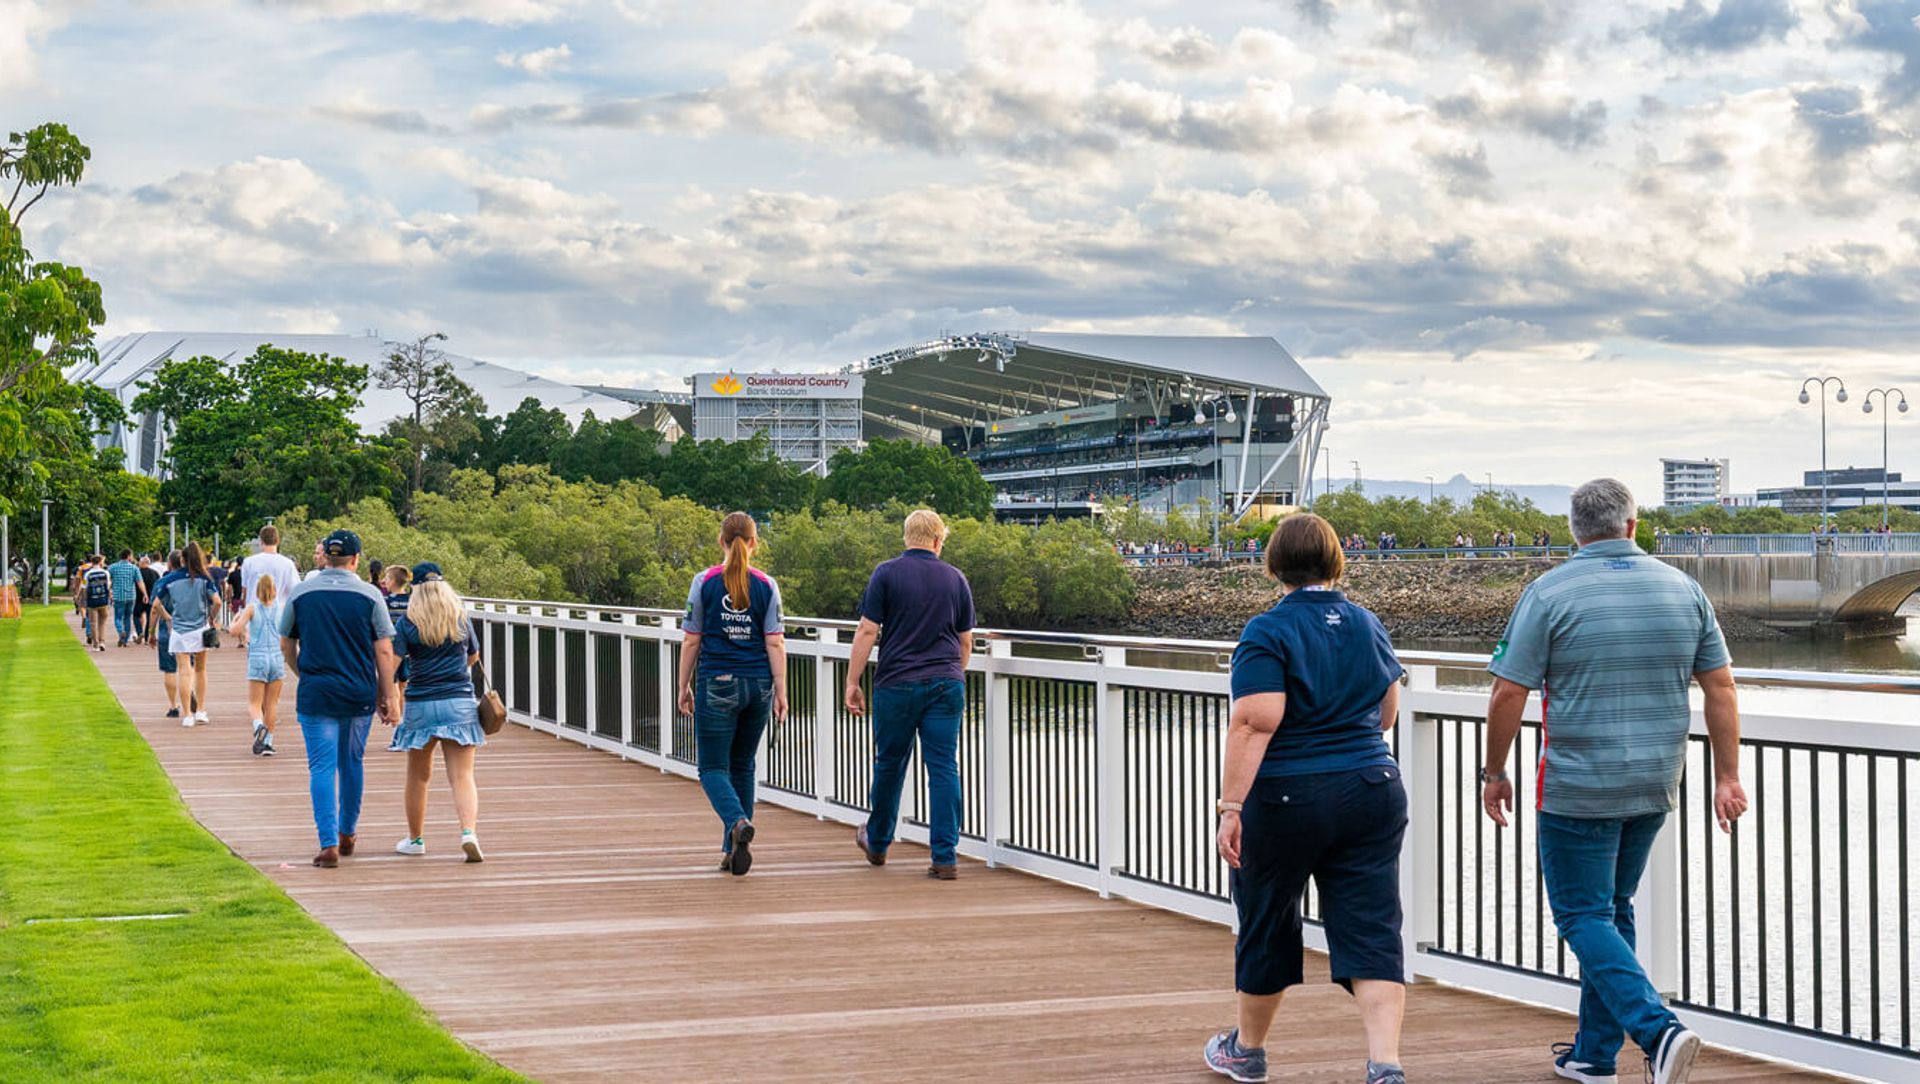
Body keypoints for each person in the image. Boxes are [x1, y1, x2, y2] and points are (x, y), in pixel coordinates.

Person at [1481, 479, 1746, 1084]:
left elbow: (1507, 691)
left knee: (1580, 914)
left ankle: (1657, 1031)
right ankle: (1595, 1056)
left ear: (1575, 530)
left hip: (1577, 783)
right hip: (1655, 780)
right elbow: (1721, 688)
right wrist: (1726, 775)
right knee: (1611, 909)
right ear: (1633, 525)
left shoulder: (1549, 593)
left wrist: (1494, 772)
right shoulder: (1684, 589)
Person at [1204, 513, 1409, 1084]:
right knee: (1371, 925)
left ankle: (1246, 1051)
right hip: (1373, 788)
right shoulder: (1370, 625)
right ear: (1335, 561)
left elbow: (1254, 722)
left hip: (1290, 796)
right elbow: (1387, 713)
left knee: (1268, 917)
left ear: (1274, 565)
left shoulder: (1267, 631)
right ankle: (1385, 1064)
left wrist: (1231, 808)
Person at [845, 509, 976, 881]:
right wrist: (954, 674)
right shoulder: (956, 579)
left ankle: (879, 842)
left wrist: (852, 682)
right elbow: (966, 641)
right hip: (945, 683)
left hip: (897, 683)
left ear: (907, 537)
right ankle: (944, 856)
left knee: (889, 763)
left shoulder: (886, 573)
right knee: (943, 767)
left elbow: (868, 631)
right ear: (938, 541)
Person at [278, 529, 400, 868]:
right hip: (358, 690)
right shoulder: (370, 595)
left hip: (317, 691)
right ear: (356, 559)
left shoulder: (302, 593)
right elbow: (384, 648)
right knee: (351, 762)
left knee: (320, 766)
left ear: (324, 557)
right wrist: (388, 695)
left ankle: (328, 842)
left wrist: (301, 671)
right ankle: (348, 832)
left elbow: (286, 642)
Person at [675, 512, 788, 876]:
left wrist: (683, 685)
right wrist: (781, 691)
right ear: (754, 543)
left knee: (711, 768)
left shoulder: (704, 581)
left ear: (721, 541)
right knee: (743, 765)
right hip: (758, 685)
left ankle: (737, 823)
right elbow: (775, 642)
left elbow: (692, 638)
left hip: (718, 682)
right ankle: (732, 849)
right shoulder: (767, 584)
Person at [387, 576, 487, 863]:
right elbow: (473, 656)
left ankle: (415, 839)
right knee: (463, 776)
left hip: (421, 703)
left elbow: (394, 665)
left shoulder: (407, 623)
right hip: (459, 702)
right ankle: (468, 833)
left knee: (418, 776)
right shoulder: (460, 619)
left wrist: (388, 697)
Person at [150, 542, 224, 726]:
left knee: (183, 672)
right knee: (200, 669)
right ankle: (201, 710)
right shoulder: (204, 578)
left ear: (182, 559)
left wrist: (168, 619)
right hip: (200, 627)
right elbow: (218, 602)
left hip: (179, 629)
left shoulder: (170, 579)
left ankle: (187, 715)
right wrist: (210, 618)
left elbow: (156, 605)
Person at [231, 575, 287, 757]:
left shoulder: (252, 609)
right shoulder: (282, 609)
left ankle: (258, 726)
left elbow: (235, 631)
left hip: (258, 657)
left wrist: (235, 619)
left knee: (254, 704)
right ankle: (268, 742)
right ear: (274, 590)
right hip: (277, 658)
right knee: (271, 703)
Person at [152, 551, 184, 717]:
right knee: (188, 668)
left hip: (167, 629)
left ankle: (173, 705)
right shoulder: (191, 581)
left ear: (169, 564)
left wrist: (150, 632)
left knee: (169, 669)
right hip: (188, 629)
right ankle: (190, 697)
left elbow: (154, 608)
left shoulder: (162, 582)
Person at [241, 524, 299, 606]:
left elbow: (245, 591)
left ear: (261, 541)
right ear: (278, 541)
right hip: (278, 613)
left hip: (254, 613)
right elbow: (294, 591)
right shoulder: (288, 564)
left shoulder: (248, 562)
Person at [77, 554, 112, 652]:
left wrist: (81, 598)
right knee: (103, 622)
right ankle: (102, 642)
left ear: (92, 563)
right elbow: (108, 586)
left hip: (92, 601)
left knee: (93, 623)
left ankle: (95, 644)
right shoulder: (105, 573)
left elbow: (84, 587)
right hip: (103, 600)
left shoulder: (88, 574)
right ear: (100, 562)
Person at [107, 549, 142, 647]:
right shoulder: (134, 568)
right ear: (128, 556)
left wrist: (109, 591)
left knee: (118, 617)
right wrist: (145, 594)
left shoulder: (112, 567)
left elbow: (108, 580)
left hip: (118, 596)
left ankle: (121, 631)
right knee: (127, 618)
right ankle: (125, 640)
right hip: (131, 596)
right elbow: (140, 582)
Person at [135, 553, 160, 645]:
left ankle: (139, 631)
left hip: (139, 597)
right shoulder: (155, 573)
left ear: (141, 563)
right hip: (151, 599)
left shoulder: (137, 572)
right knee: (150, 618)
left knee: (136, 616)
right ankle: (146, 638)